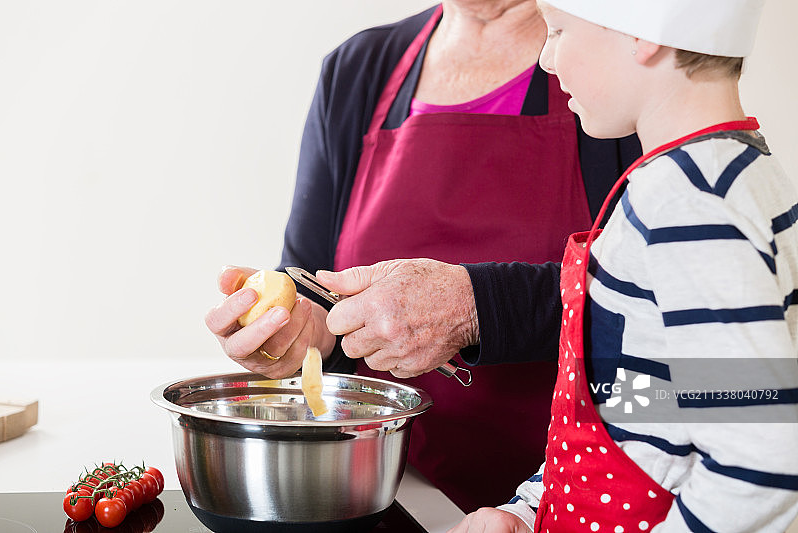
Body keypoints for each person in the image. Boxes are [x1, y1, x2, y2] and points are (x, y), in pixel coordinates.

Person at [204, 0, 640, 513]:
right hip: (390, 491)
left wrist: (477, 307)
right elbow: (311, 281)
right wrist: (297, 335)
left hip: (573, 493)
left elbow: (671, 313)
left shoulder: (614, 61)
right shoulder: (358, 69)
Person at [445, 0, 798, 531]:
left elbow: (762, 459)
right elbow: (655, 403)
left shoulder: (689, 205)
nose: (546, 59)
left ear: (643, 34)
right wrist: (532, 510)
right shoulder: (725, 175)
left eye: (558, 30)